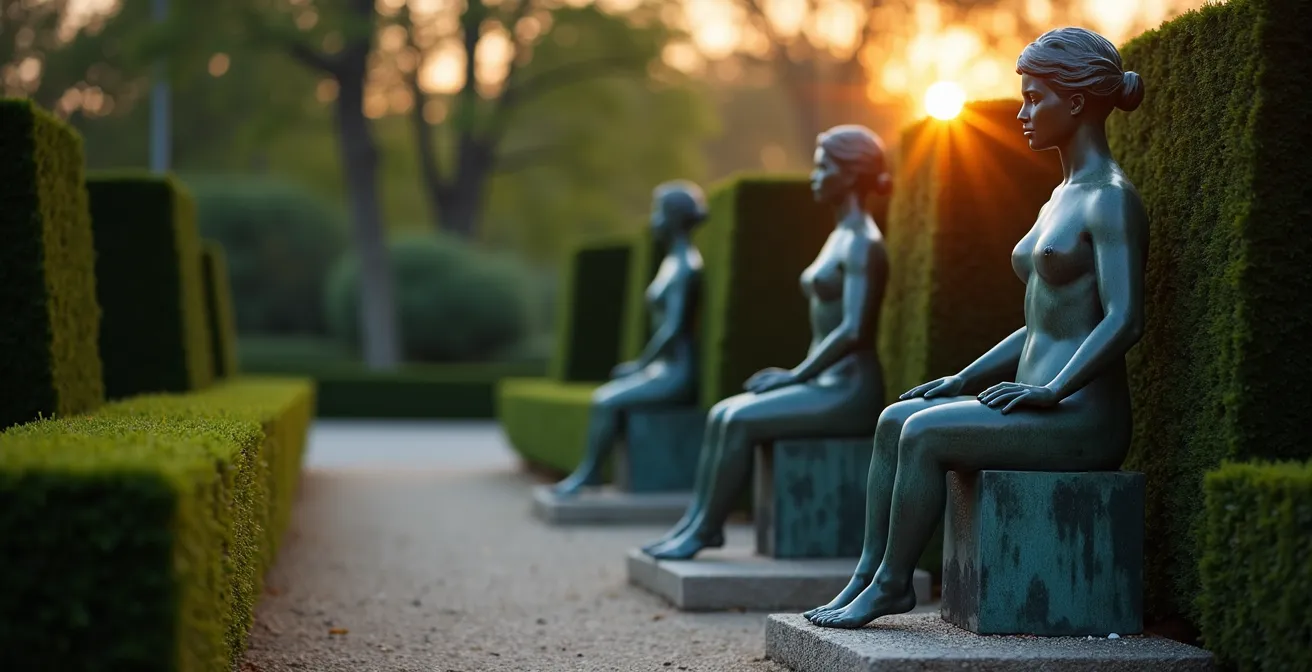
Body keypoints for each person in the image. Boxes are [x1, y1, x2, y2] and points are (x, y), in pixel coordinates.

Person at [807, 26, 1149, 629]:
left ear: (1074, 102)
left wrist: (1051, 390)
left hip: (1082, 420)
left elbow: (1124, 320)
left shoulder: (1110, 198)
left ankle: (892, 586)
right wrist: (961, 377)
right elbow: (1038, 325)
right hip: (1037, 404)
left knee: (924, 436)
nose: (1023, 113)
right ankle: (865, 575)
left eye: (1035, 97)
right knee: (895, 419)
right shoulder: (1058, 197)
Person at [642, 125, 893, 560]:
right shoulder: (839, 235)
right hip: (823, 382)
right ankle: (695, 522)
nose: (814, 176)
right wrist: (800, 378)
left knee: (739, 420)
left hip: (848, 390)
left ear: (851, 175)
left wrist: (796, 375)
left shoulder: (862, 243)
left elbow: (854, 330)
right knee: (723, 412)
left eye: (823, 167)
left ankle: (705, 530)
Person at [551, 181, 707, 497]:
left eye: (658, 211)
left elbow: (674, 329)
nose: (654, 219)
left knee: (605, 401)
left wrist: (640, 366)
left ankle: (590, 473)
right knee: (608, 395)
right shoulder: (672, 262)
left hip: (676, 373)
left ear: (674, 217)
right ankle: (591, 472)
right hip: (662, 368)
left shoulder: (685, 267)